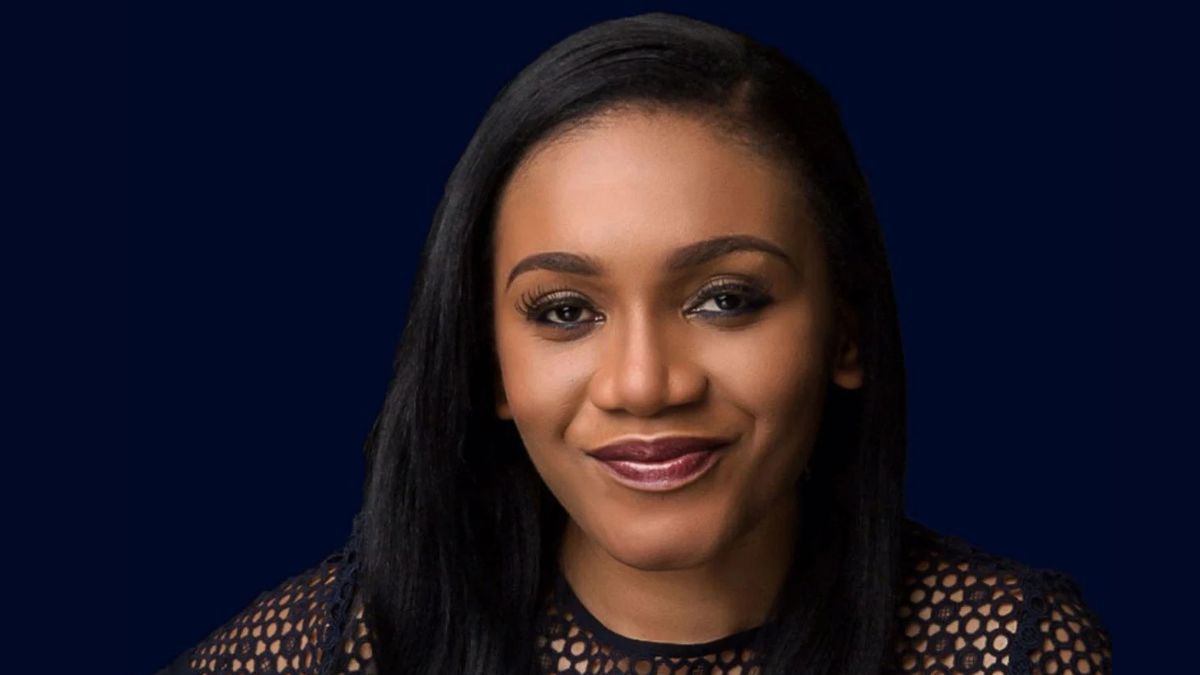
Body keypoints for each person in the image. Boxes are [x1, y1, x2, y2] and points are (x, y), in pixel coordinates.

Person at [155, 11, 1112, 675]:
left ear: (845, 333)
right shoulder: (335, 649)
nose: (644, 383)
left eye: (725, 298)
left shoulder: (1008, 649)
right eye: (565, 311)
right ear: (490, 362)